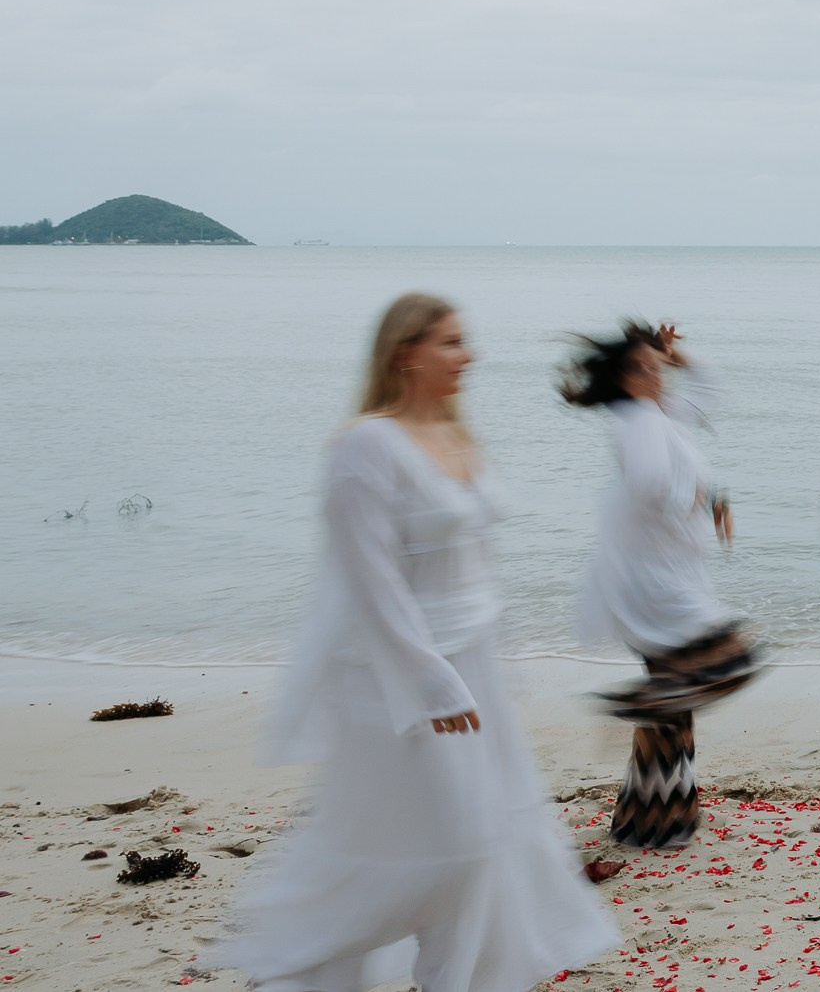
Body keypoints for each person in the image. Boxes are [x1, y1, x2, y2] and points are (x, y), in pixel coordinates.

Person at [218, 293, 617, 992]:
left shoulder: (459, 437)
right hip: (395, 681)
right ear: (406, 351)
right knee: (422, 851)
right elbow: (373, 583)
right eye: (453, 341)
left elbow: (475, 569)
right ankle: (302, 970)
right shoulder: (366, 444)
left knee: (484, 847)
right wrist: (429, 680)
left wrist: (494, 665)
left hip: (474, 671)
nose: (471, 355)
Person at [565, 320, 756, 851]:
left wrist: (679, 357)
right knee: (728, 663)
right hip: (654, 584)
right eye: (646, 369)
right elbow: (650, 484)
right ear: (624, 378)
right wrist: (693, 498)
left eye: (658, 367)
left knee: (674, 710)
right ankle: (634, 707)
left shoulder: (658, 414)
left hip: (667, 576)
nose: (657, 377)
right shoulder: (639, 420)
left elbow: (715, 394)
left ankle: (653, 819)